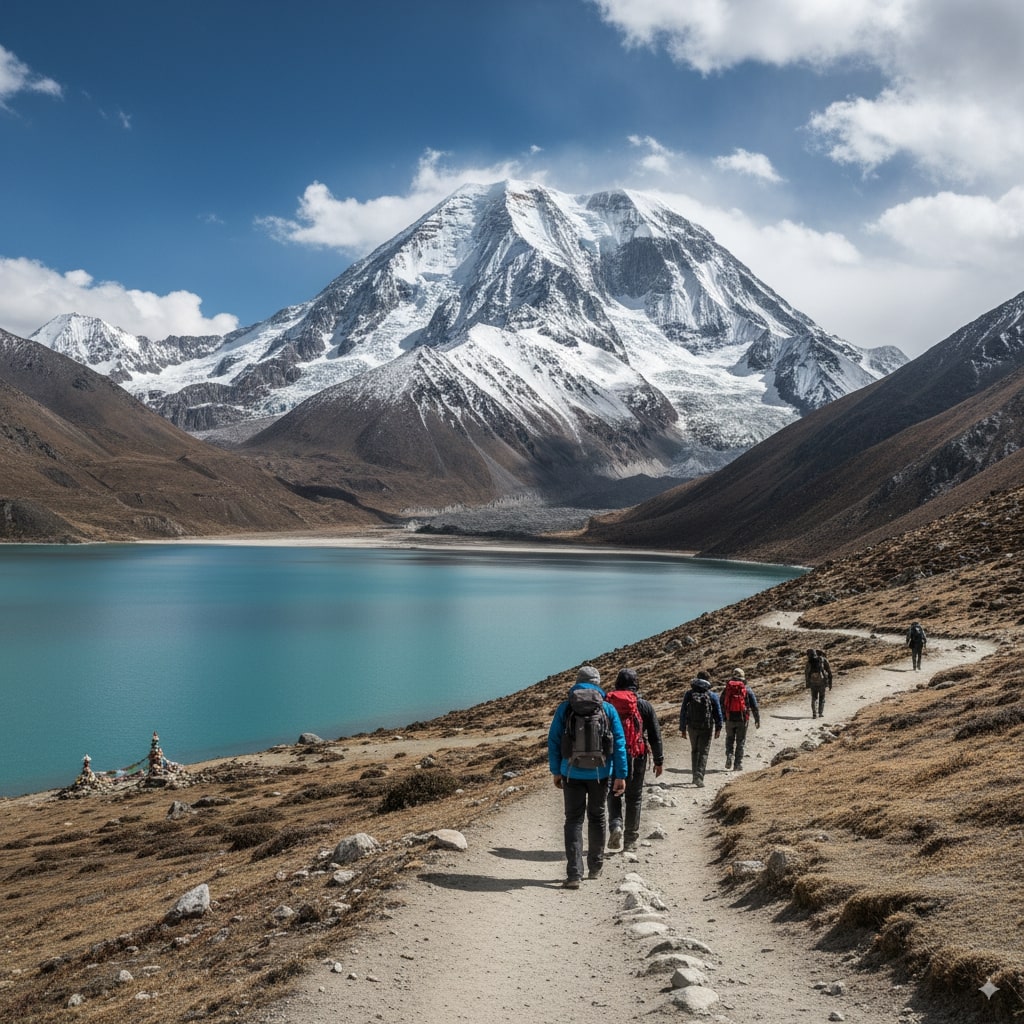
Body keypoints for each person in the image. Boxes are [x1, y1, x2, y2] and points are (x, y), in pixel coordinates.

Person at [547, 665, 627, 890]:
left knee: (573, 820)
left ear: (577, 682)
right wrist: (621, 775)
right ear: (598, 683)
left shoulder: (565, 708)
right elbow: (619, 743)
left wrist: (556, 771)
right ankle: (596, 866)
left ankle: (574, 874)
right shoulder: (608, 709)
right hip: (601, 774)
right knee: (598, 817)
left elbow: (553, 741)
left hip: (571, 772)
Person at [605, 668, 664, 854]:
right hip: (638, 755)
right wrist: (659, 759)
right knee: (634, 797)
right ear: (636, 684)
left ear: (617, 683)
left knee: (614, 793)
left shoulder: (608, 704)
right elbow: (655, 734)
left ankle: (616, 825)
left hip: (613, 756)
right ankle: (630, 839)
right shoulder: (644, 706)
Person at [679, 670, 722, 788]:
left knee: (694, 750)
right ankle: (699, 776)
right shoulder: (712, 695)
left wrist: (682, 728)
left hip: (692, 726)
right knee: (704, 751)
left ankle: (694, 776)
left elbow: (683, 711)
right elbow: (717, 712)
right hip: (706, 727)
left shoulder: (689, 694)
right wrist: (719, 727)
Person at [720, 668, 760, 771]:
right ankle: (737, 764)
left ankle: (729, 754)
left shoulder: (727, 689)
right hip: (742, 719)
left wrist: (724, 717)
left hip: (730, 719)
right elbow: (754, 706)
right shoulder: (747, 689)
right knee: (740, 741)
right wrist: (757, 719)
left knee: (729, 739)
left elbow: (721, 704)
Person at [804, 648, 833, 719]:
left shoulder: (808, 662)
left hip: (812, 681)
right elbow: (829, 671)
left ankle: (814, 713)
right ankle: (820, 713)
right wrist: (830, 683)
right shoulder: (822, 659)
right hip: (822, 681)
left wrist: (807, 684)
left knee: (814, 698)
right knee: (822, 697)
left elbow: (806, 674)